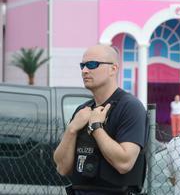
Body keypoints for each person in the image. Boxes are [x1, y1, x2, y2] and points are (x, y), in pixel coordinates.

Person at [53, 45, 147, 195]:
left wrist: (96, 127)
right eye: (82, 65)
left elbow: (124, 163)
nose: (84, 71)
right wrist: (71, 129)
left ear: (113, 69)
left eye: (92, 65)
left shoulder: (130, 107)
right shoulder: (82, 111)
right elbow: (62, 168)